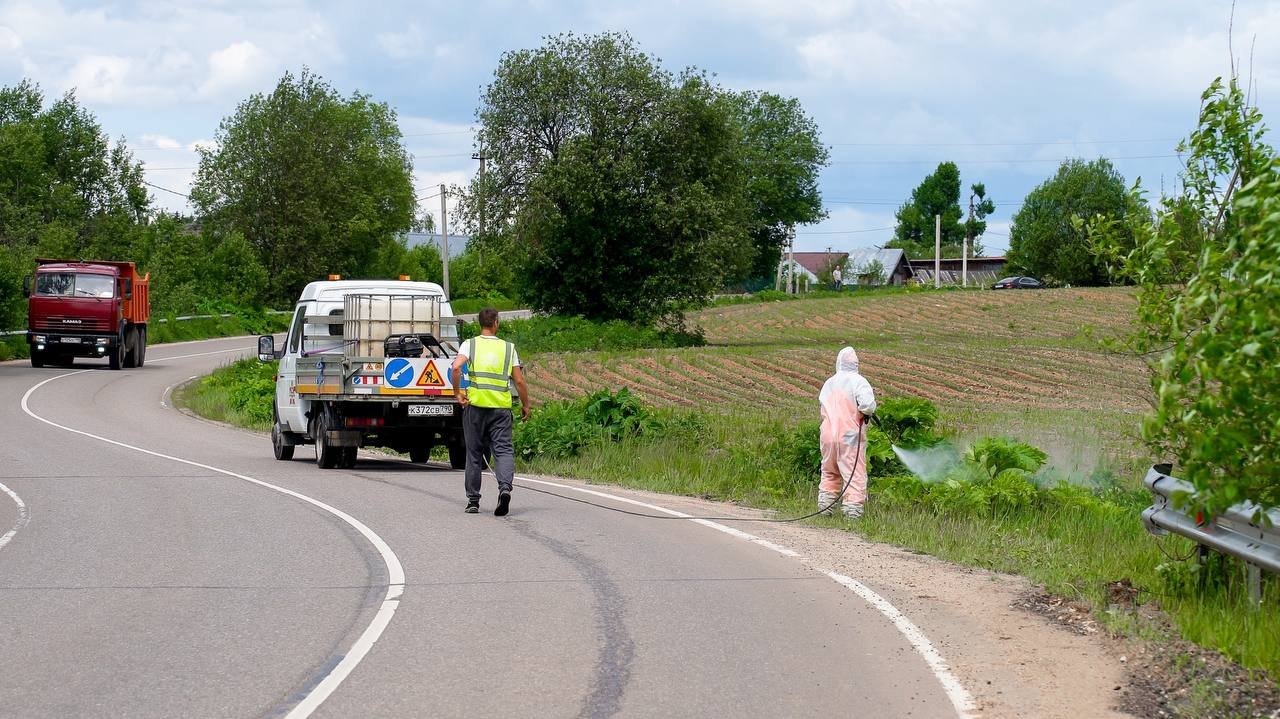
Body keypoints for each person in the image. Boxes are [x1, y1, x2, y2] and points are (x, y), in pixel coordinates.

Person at [451, 308, 530, 516]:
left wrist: (457, 393)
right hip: (500, 409)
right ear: (496, 322)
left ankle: (473, 501)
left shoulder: (470, 344)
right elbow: (519, 380)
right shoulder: (508, 348)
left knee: (474, 454)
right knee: (503, 451)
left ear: (480, 323)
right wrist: (526, 405)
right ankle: (504, 489)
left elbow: (456, 368)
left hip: (475, 407)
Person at [818, 346, 876, 518]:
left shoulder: (829, 383)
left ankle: (825, 509)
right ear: (856, 364)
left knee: (829, 471)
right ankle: (852, 513)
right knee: (854, 473)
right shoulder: (859, 381)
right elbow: (867, 405)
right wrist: (867, 412)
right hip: (850, 436)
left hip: (827, 435)